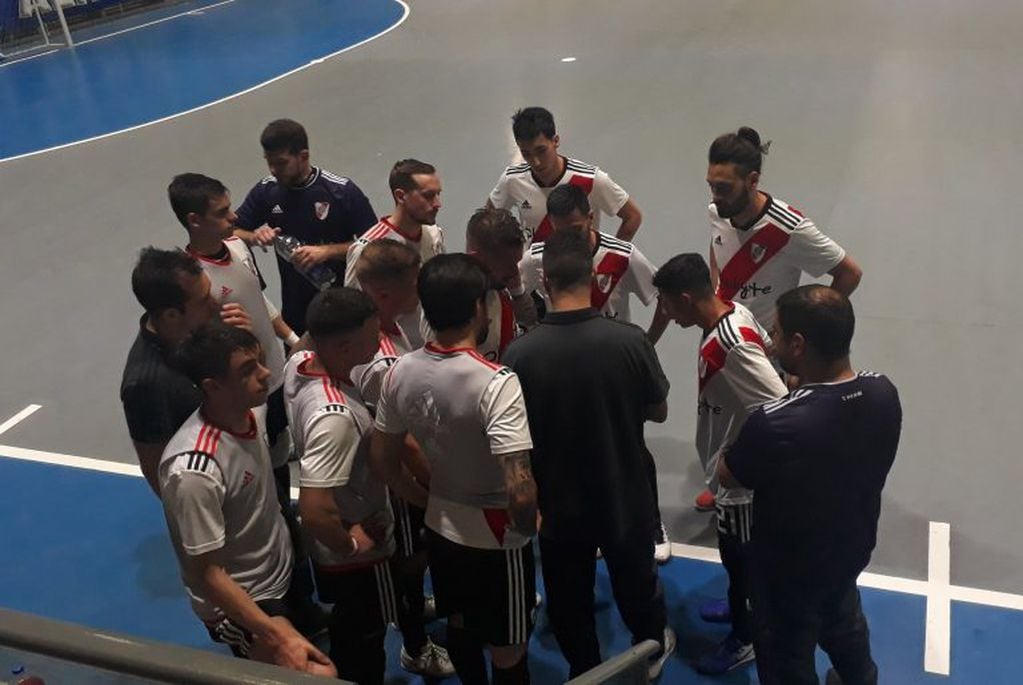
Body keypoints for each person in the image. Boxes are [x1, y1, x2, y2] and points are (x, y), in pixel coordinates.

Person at [503, 230, 675, 680]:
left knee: (568, 595)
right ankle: (651, 649)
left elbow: (514, 436)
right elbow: (658, 410)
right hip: (625, 492)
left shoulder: (519, 355)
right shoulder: (630, 341)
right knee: (636, 581)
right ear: (595, 275)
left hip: (559, 503)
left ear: (543, 280)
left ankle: (585, 668)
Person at [720, 285, 902, 685]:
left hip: (787, 575)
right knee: (849, 636)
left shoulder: (774, 422)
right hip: (848, 554)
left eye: (778, 333)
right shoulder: (883, 393)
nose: (772, 339)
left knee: (787, 660)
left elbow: (728, 473)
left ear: (799, 345)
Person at [370, 254, 538, 685]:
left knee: (461, 625)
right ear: (478, 308)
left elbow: (385, 460)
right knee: (509, 646)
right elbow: (520, 489)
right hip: (499, 536)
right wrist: (526, 527)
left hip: (441, 526)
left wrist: (427, 501)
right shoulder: (496, 382)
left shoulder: (399, 372)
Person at [286, 288, 453, 684]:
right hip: (360, 557)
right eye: (371, 335)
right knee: (367, 641)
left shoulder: (300, 364)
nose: (379, 341)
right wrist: (353, 543)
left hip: (340, 557)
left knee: (351, 631)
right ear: (343, 347)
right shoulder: (336, 419)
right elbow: (313, 509)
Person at [699, 125, 863, 512]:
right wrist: (714, 297)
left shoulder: (788, 228)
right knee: (723, 415)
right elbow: (717, 247)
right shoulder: (717, 210)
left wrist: (799, 333)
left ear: (752, 181)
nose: (714, 195)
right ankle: (725, 484)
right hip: (724, 332)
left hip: (767, 345)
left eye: (723, 187)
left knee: (769, 423)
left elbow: (849, 273)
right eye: (711, 184)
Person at [158, 324, 333, 676]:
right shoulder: (194, 472)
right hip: (244, 600)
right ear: (212, 386)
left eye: (260, 361)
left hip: (280, 566)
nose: (265, 373)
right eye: (248, 369)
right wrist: (274, 634)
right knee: (318, 675)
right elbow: (208, 573)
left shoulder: (253, 410)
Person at [519, 184, 672, 562]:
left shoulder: (622, 254)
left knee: (632, 447)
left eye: (574, 228)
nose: (566, 237)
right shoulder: (537, 257)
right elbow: (520, 299)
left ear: (591, 218)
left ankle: (651, 523)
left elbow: (662, 298)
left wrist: (646, 344)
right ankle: (592, 524)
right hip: (564, 366)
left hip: (616, 363)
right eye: (558, 230)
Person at [653, 253, 787, 675]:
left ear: (687, 299)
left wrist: (737, 464)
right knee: (737, 562)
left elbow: (777, 408)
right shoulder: (735, 312)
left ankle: (745, 638)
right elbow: (771, 355)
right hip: (728, 472)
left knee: (740, 559)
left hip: (739, 486)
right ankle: (738, 608)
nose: (667, 314)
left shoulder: (729, 343)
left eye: (669, 305)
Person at [169, 173, 297, 480]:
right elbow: (189, 343)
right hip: (245, 390)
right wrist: (219, 330)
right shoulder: (194, 280)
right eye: (222, 212)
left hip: (274, 373)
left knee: (280, 450)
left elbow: (257, 296)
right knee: (259, 467)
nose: (234, 216)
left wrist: (292, 338)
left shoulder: (238, 245)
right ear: (194, 220)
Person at [121, 247, 252, 495]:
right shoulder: (145, 385)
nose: (215, 304)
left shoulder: (206, 328)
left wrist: (247, 347)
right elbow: (158, 471)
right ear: (172, 315)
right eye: (203, 300)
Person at [233, 118, 377, 334]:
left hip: (347, 307)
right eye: (269, 162)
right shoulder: (265, 192)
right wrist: (254, 237)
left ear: (304, 156)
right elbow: (229, 230)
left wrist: (327, 252)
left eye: (281, 163)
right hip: (297, 315)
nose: (273, 170)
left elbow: (377, 247)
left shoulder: (341, 191)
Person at [487, 106, 643, 245]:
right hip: (534, 272)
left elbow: (633, 216)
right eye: (526, 154)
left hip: (579, 275)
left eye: (541, 151)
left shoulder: (591, 179)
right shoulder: (511, 180)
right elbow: (485, 222)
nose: (536, 162)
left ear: (555, 141)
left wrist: (608, 257)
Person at [344, 159, 445, 347]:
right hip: (395, 357)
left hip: (431, 351)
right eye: (428, 196)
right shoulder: (367, 249)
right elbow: (353, 314)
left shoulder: (433, 235)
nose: (438, 203)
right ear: (401, 196)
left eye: (438, 194)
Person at [465, 207, 538, 360]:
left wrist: (518, 291)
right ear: (477, 258)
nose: (514, 272)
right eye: (507, 264)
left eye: (517, 262)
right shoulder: (449, 299)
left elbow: (529, 327)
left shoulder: (501, 289)